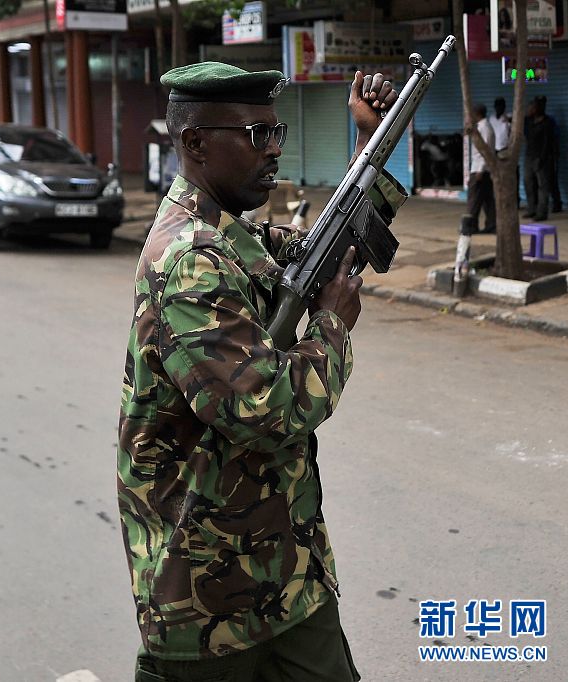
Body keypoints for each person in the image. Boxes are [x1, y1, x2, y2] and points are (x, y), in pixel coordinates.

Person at [117, 62, 405, 681]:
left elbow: (328, 247)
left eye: (276, 133)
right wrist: (331, 325)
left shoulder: (226, 237)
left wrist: (370, 145)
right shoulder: (191, 260)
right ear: (195, 143)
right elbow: (266, 409)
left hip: (284, 580)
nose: (274, 148)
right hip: (210, 602)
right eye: (255, 136)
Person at [523, 96, 555, 221]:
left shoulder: (547, 122)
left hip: (541, 158)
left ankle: (542, 212)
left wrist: (541, 158)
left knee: (543, 186)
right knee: (528, 183)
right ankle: (532, 209)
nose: (531, 109)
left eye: (534, 107)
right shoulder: (529, 120)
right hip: (529, 156)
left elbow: (548, 143)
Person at [466, 104, 496, 234]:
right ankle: (492, 224)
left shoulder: (485, 128)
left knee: (474, 198)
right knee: (487, 200)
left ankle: (470, 226)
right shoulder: (481, 127)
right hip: (482, 169)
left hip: (480, 169)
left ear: (476, 114)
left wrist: (480, 169)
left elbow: (486, 150)